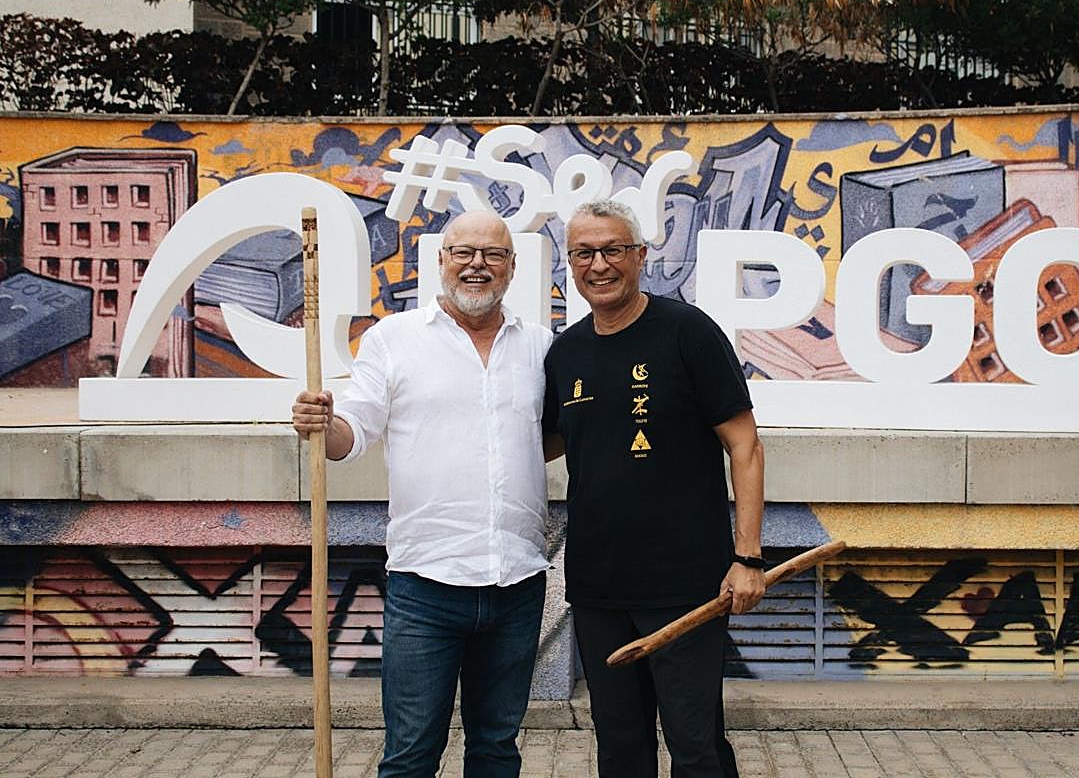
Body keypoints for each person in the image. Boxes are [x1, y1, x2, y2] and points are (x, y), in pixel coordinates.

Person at [292, 209, 553, 778]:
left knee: (496, 750)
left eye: (492, 255)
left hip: (516, 583)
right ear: (440, 261)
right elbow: (351, 433)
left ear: (511, 267)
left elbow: (555, 436)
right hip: (425, 587)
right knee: (410, 755)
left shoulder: (540, 347)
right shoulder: (394, 340)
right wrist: (323, 424)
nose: (477, 264)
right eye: (463, 252)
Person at [542, 199, 766, 777]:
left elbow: (745, 445)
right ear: (570, 262)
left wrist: (747, 557)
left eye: (613, 249)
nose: (599, 265)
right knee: (619, 745)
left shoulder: (686, 332)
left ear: (640, 256)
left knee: (695, 745)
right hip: (599, 587)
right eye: (584, 252)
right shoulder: (566, 353)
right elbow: (539, 445)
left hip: (685, 584)